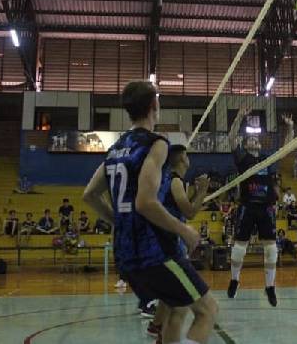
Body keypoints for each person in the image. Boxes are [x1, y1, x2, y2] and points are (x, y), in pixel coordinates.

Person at [82, 80, 217, 344]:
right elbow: (145, 203)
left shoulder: (115, 149)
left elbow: (89, 194)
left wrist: (119, 222)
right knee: (208, 310)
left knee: (174, 310)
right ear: (154, 105)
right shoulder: (156, 144)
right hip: (155, 251)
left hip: (126, 253)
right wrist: (185, 231)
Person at [225, 104, 294, 307]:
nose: (255, 140)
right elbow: (231, 138)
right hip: (247, 205)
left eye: (256, 139)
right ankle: (235, 280)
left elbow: (286, 149)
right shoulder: (242, 159)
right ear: (246, 145)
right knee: (239, 248)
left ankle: (270, 287)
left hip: (266, 208)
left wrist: (290, 128)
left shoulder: (266, 160)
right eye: (251, 139)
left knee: (271, 249)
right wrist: (238, 117)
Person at [146, 144, 212, 340]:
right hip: (167, 243)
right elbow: (190, 212)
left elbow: (182, 205)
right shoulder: (175, 182)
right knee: (188, 305)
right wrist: (202, 190)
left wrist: (196, 193)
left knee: (171, 293)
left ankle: (156, 326)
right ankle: (159, 327)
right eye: (187, 155)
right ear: (183, 158)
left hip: (163, 241)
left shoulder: (171, 180)